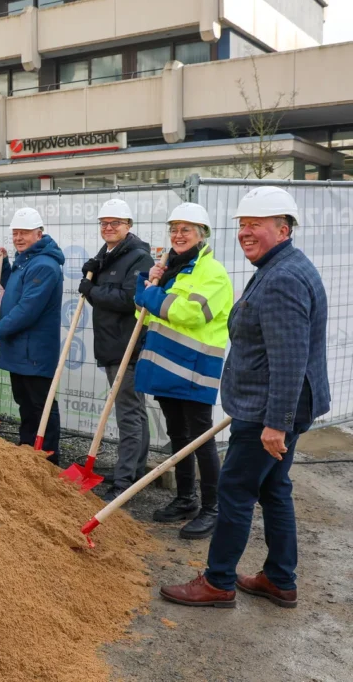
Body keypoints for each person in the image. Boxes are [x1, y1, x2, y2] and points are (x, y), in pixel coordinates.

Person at [160, 187, 329, 608]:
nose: (245, 233)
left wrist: (277, 423)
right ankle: (279, 579)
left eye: (255, 225)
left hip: (268, 408)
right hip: (277, 404)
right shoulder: (281, 266)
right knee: (274, 488)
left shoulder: (283, 278)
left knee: (236, 490)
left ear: (283, 229)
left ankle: (218, 582)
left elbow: (289, 359)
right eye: (241, 225)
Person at [134, 202, 233, 540]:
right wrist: (149, 290)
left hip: (194, 367)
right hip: (166, 366)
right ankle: (185, 498)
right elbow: (147, 317)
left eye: (186, 230)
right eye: (174, 229)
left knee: (201, 439)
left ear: (201, 235)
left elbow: (192, 314)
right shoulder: (171, 270)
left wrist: (152, 296)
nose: (178, 235)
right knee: (177, 435)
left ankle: (211, 508)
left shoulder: (213, 273)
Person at [79, 198, 155, 502]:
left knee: (128, 413)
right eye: (104, 223)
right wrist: (94, 271)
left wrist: (92, 290)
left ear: (129, 226)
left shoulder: (139, 258)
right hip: (111, 342)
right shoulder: (108, 254)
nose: (108, 228)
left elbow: (128, 299)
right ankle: (135, 470)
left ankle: (125, 481)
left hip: (128, 346)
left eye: (116, 223)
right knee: (133, 409)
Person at [0, 207, 65, 465]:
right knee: (25, 403)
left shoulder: (44, 265)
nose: (18, 238)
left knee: (40, 405)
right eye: (15, 233)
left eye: (24, 233)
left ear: (39, 234)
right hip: (20, 348)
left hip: (34, 350)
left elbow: (27, 310)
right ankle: (28, 450)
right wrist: (0, 264)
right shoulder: (27, 260)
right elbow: (14, 289)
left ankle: (47, 458)